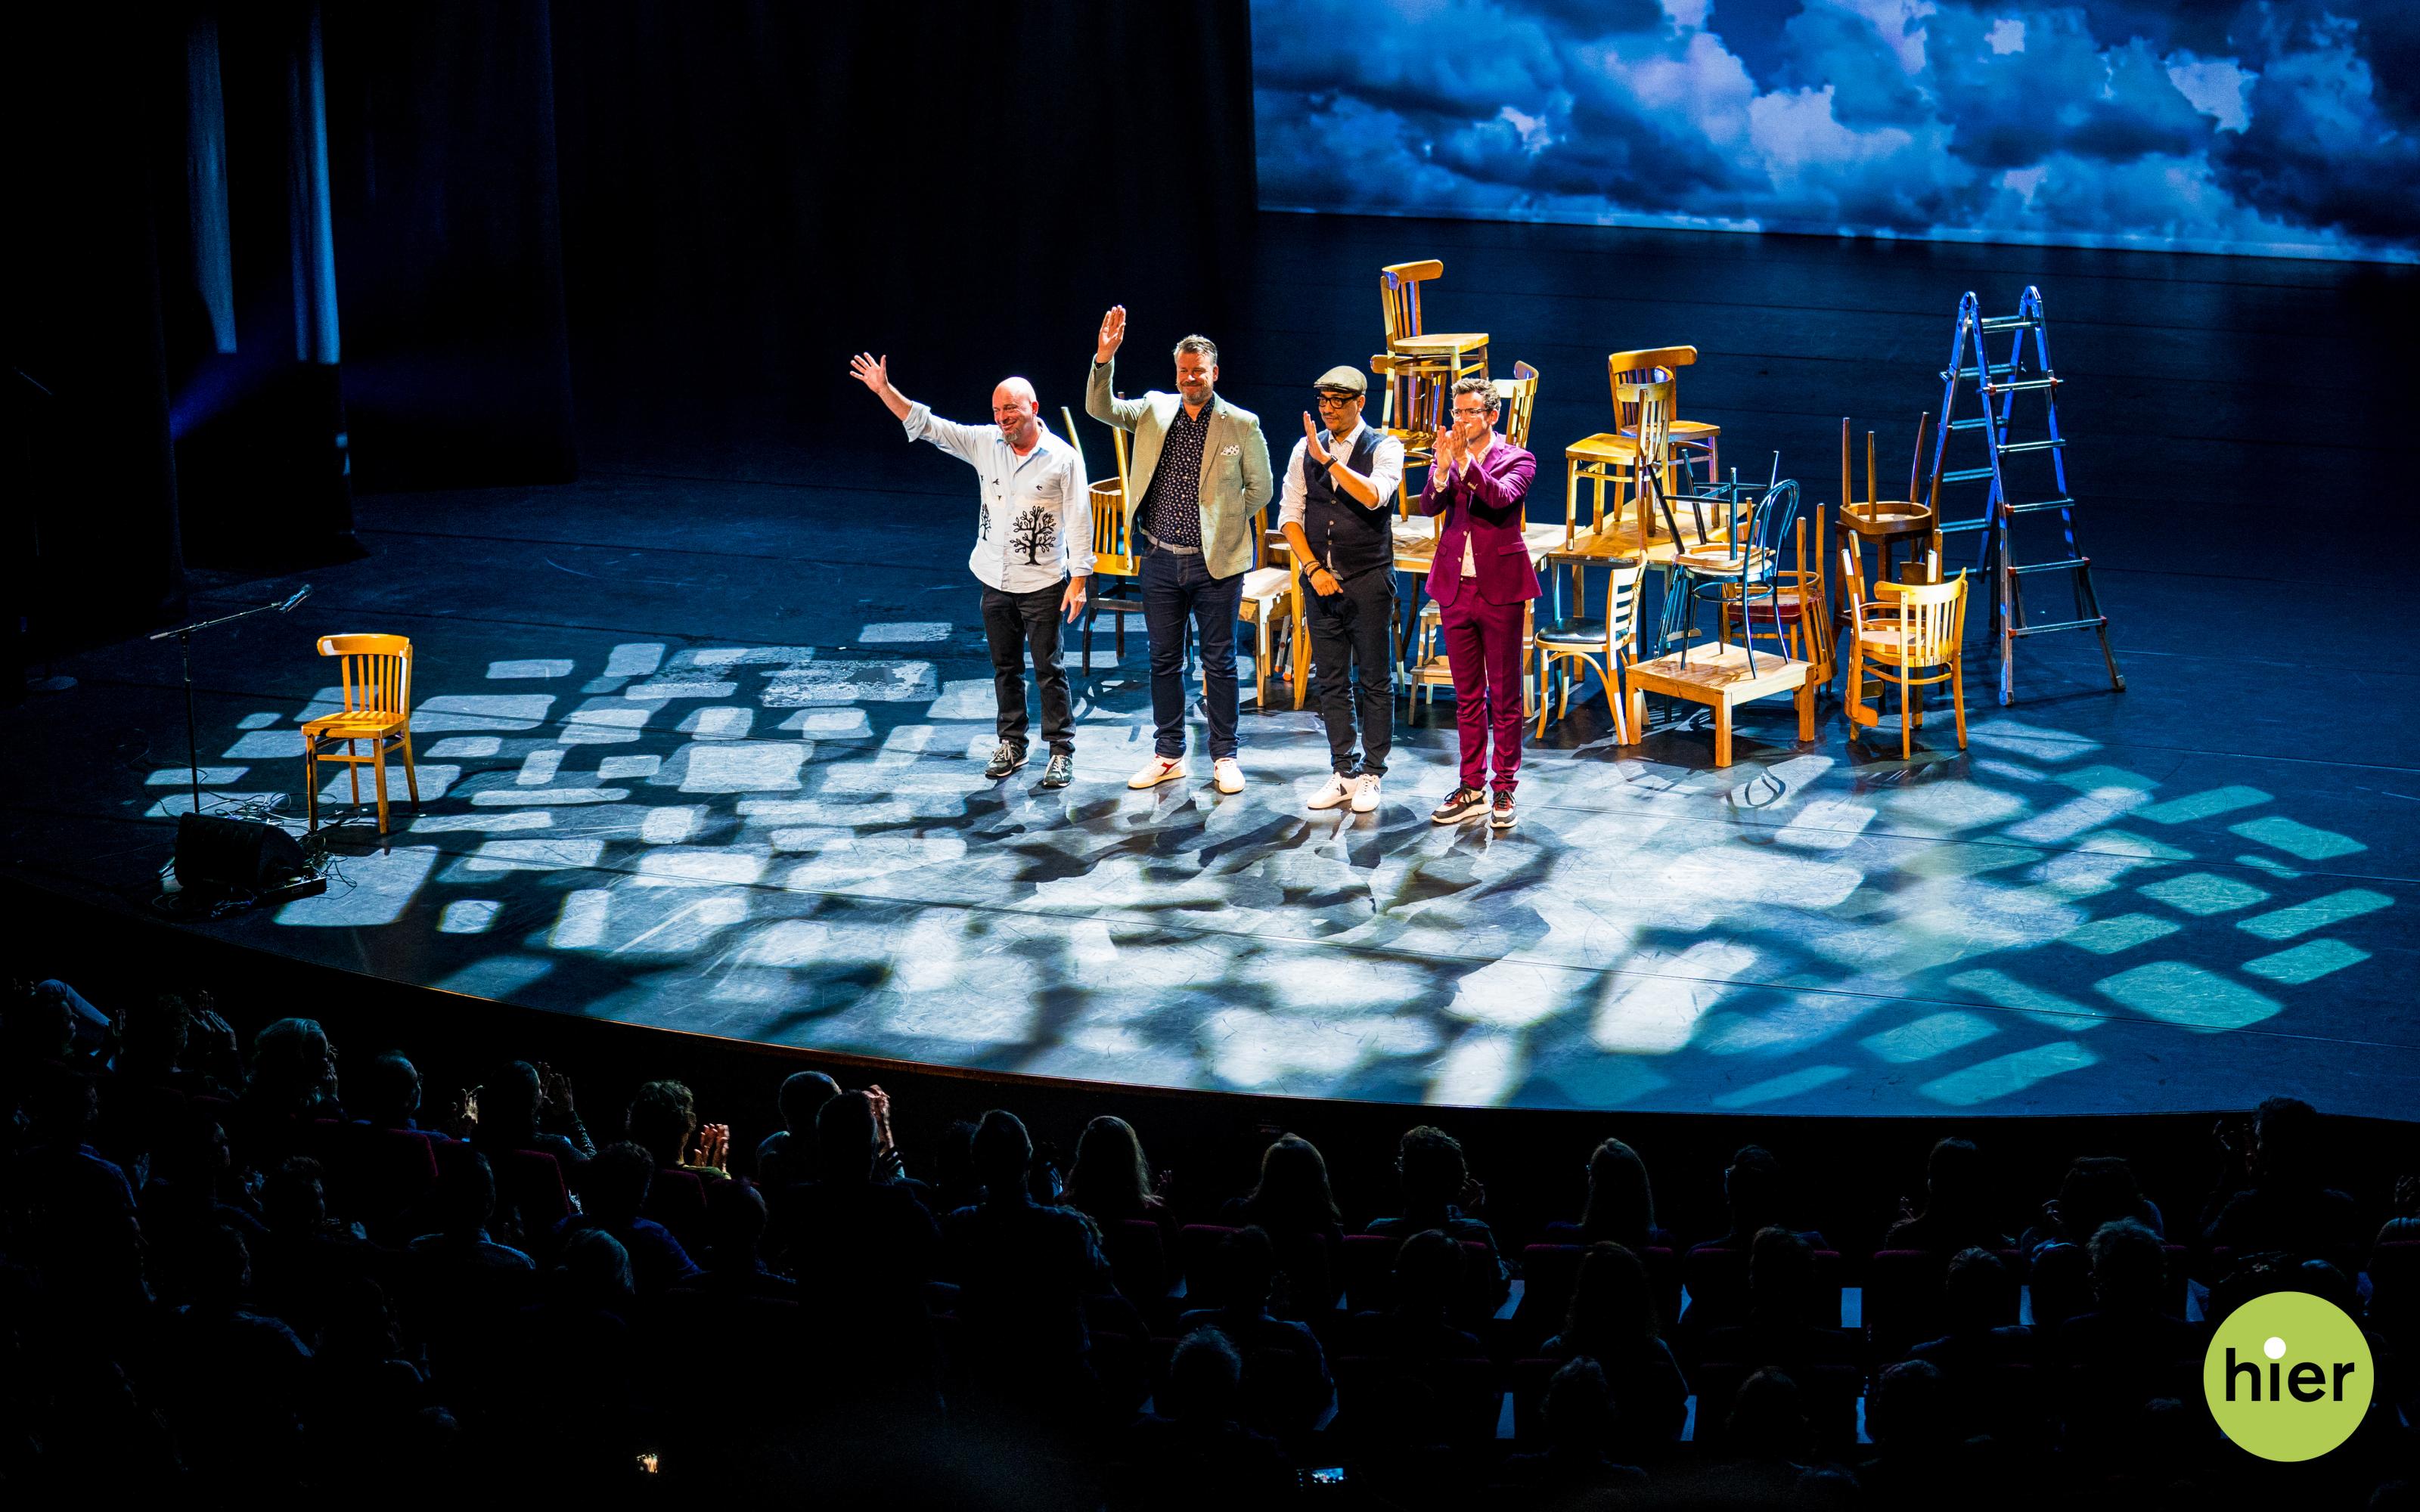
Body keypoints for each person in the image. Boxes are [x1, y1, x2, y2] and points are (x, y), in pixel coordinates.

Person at [849, 352, 1091, 788]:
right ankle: (1012, 743)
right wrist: (885, 390)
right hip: (993, 579)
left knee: (1048, 669)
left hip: (1041, 582)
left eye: (1011, 409)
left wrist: (1080, 578)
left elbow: (1079, 518)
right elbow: (929, 425)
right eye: (997, 410)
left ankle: (1060, 750)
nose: (1003, 418)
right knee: (1005, 667)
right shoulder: (984, 443)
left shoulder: (1062, 458)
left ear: (1033, 409)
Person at [1085, 306, 1274, 795]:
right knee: (1164, 661)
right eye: (1184, 371)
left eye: (1199, 371)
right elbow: (1099, 409)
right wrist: (1104, 358)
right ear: (1177, 374)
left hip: (1216, 564)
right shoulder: (1153, 409)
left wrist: (1225, 522)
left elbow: (1262, 488)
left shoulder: (1242, 424)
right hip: (1160, 558)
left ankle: (1225, 756)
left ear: (1215, 372)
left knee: (1220, 662)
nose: (1191, 378)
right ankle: (1168, 755)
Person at [1277, 364, 1404, 813]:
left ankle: (1372, 773)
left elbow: (1375, 496)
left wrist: (1329, 458)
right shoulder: (1303, 450)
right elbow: (1289, 516)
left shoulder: (1386, 446)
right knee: (1330, 680)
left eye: (1338, 402)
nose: (1329, 409)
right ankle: (1343, 770)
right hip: (1320, 581)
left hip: (1368, 579)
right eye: (1324, 401)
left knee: (1373, 679)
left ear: (1360, 403)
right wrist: (1312, 568)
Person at [1417, 375, 1537, 829]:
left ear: (1492, 415)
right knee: (1467, 695)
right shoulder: (1448, 453)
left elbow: (1499, 498)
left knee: (1504, 694)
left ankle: (1504, 786)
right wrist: (1444, 469)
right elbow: (1431, 506)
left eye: (1471, 412)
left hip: (1500, 589)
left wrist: (1465, 461)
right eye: (1457, 413)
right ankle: (1471, 786)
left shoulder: (1518, 458)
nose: (1462, 420)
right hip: (1455, 586)